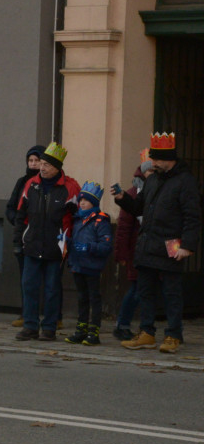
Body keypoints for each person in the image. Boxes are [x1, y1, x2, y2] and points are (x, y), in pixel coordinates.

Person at [116, 132, 201, 354]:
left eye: (156, 159)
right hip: (147, 245)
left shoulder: (185, 182)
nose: (152, 162)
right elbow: (139, 208)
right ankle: (147, 333)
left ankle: (173, 335)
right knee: (145, 292)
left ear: (168, 159)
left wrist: (187, 246)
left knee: (172, 293)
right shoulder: (152, 180)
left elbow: (193, 217)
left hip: (171, 246)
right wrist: (123, 199)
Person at [13, 142, 80, 342]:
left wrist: (70, 243)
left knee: (52, 288)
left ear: (57, 168)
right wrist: (18, 240)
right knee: (29, 286)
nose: (42, 168)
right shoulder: (31, 184)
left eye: (46, 165)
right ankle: (30, 326)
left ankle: (49, 327)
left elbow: (77, 218)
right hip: (32, 243)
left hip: (56, 247)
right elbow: (20, 215)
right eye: (41, 163)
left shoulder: (71, 188)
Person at [63, 182, 113, 346]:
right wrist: (67, 243)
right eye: (81, 200)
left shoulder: (100, 220)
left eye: (86, 200)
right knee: (81, 298)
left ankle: (94, 331)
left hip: (91, 266)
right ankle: (81, 329)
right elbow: (76, 241)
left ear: (94, 203)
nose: (82, 203)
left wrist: (88, 247)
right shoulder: (77, 219)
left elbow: (106, 246)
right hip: (77, 265)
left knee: (94, 298)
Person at [113, 158, 152, 341]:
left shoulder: (158, 190)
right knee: (136, 289)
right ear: (143, 173)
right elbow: (123, 227)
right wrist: (122, 253)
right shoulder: (134, 193)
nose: (152, 174)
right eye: (149, 171)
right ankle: (122, 324)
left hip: (152, 249)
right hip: (136, 250)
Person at [5, 145, 44, 327]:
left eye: (37, 160)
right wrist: (20, 223)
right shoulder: (22, 182)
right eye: (31, 161)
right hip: (24, 236)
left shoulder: (46, 181)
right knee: (26, 278)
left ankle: (53, 315)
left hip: (44, 237)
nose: (34, 164)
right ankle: (26, 313)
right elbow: (11, 208)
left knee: (48, 279)